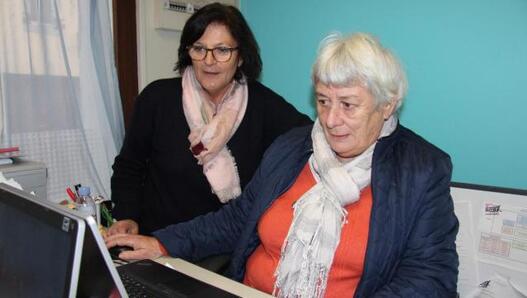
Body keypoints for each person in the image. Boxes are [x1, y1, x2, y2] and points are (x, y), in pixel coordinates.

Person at [106, 32, 459, 297]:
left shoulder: (421, 170)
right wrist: (163, 244)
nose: (331, 120)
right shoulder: (292, 148)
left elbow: (430, 277)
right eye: (322, 101)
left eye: (348, 105)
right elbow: (236, 219)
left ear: (387, 105)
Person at [108, 3, 311, 236]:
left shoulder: (263, 105)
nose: (209, 60)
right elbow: (128, 167)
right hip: (158, 243)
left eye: (222, 50)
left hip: (225, 247)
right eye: (199, 48)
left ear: (241, 56)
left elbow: (311, 138)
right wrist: (126, 215)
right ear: (188, 52)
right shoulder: (157, 99)